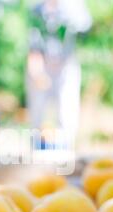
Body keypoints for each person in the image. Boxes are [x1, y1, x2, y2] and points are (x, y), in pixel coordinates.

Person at [26, 0, 92, 150]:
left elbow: (85, 28)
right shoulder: (37, 8)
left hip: (66, 64)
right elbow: (33, 40)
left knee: (66, 113)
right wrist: (36, 68)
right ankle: (38, 154)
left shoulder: (74, 6)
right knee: (38, 115)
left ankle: (65, 154)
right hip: (42, 62)